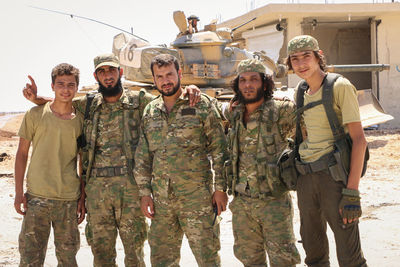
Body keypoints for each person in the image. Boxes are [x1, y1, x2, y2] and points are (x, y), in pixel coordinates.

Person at [23, 53, 201, 267]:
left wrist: (189, 89)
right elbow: (61, 101)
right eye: (102, 71)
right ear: (96, 76)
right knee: (102, 255)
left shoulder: (139, 101)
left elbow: (168, 97)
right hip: (98, 193)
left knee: (134, 254)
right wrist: (36, 99)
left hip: (131, 191)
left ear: (121, 72)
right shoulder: (87, 105)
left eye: (111, 70)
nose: (107, 76)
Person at [133, 53, 228, 267]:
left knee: (208, 257)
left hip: (198, 200)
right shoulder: (151, 111)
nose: (165, 80)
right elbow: (143, 155)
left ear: (180, 74)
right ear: (154, 80)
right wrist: (144, 193)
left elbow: (219, 148)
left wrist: (221, 188)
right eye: (160, 76)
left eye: (169, 74)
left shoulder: (200, 104)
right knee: (162, 260)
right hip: (162, 202)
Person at [286, 35, 368, 267]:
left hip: (334, 178)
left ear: (318, 57)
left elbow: (359, 140)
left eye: (306, 56)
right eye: (295, 59)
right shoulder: (300, 91)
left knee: (350, 256)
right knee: (314, 254)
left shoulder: (339, 86)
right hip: (306, 178)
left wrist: (352, 192)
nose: (301, 63)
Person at [225, 58, 300, 267]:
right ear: (237, 85)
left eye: (254, 80)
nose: (248, 85)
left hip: (273, 202)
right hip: (242, 204)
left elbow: (307, 136)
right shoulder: (234, 113)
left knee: (283, 260)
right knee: (250, 260)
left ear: (264, 83)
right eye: (243, 80)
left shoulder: (281, 110)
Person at [14, 63, 85, 266]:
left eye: (71, 84)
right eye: (60, 84)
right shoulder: (35, 114)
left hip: (68, 200)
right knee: (30, 260)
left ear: (77, 88)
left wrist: (82, 196)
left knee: (68, 259)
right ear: (52, 86)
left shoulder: (80, 120)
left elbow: (83, 161)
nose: (66, 89)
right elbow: (21, 154)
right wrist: (19, 192)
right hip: (37, 199)